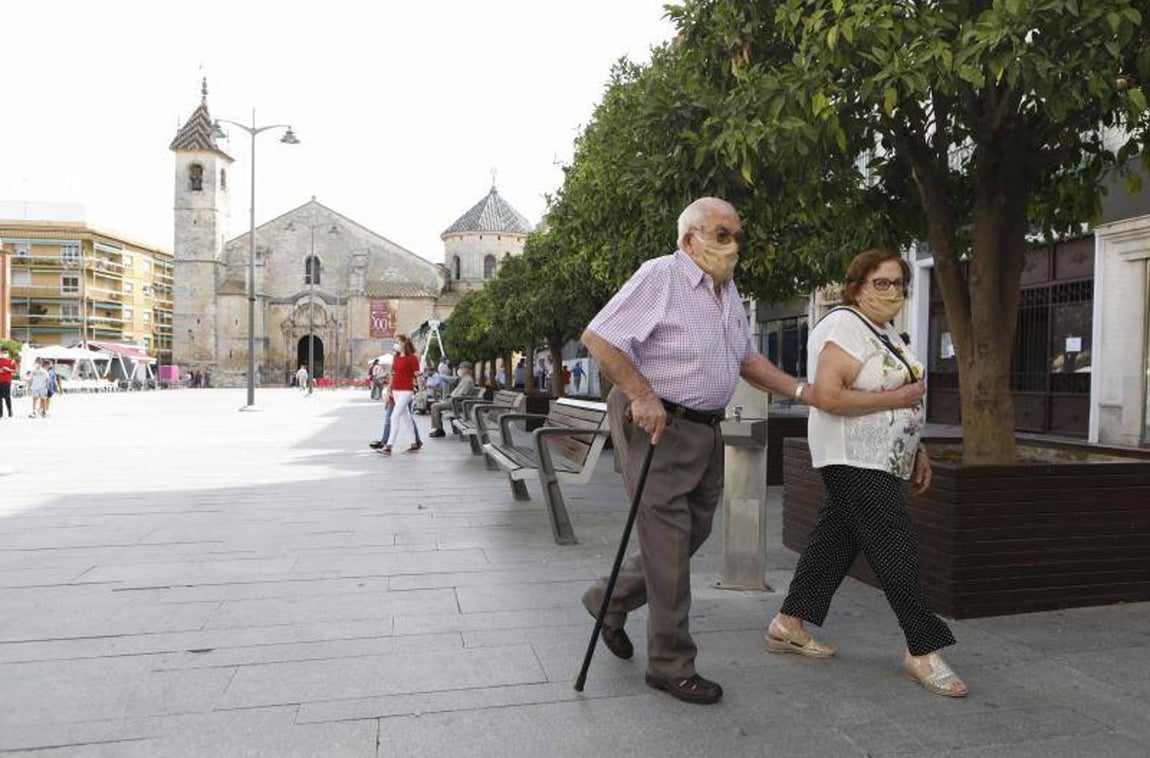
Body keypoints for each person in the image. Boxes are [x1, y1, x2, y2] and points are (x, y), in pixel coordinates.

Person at [580, 197, 814, 705]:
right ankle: (670, 664)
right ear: (690, 239)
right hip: (660, 423)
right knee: (668, 545)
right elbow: (600, 338)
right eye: (721, 233)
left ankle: (607, 599)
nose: (733, 244)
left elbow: (746, 359)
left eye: (737, 235)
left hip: (705, 430)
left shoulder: (727, 291)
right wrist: (642, 395)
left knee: (693, 533)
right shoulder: (661, 276)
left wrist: (800, 391)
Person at [765, 248, 966, 698]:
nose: (891, 292)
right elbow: (829, 397)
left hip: (883, 457)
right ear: (857, 286)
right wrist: (896, 403)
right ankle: (922, 648)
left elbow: (906, 396)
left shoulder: (884, 332)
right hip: (853, 457)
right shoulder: (843, 326)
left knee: (835, 540)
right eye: (881, 283)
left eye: (898, 284)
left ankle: (788, 623)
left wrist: (918, 448)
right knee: (894, 547)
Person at [379, 336, 421, 455]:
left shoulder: (412, 358)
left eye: (397, 342)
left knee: (394, 417)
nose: (395, 344)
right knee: (406, 418)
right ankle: (414, 443)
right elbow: (393, 373)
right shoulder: (396, 357)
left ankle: (389, 445)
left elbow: (417, 374)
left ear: (403, 343)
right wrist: (389, 389)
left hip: (406, 390)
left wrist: (421, 390)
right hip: (396, 390)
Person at [427, 362, 476, 438]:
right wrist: (449, 397)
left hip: (458, 403)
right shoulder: (464, 379)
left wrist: (449, 397)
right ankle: (439, 429)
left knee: (435, 406)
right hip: (457, 402)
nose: (459, 370)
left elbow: (460, 394)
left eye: (461, 368)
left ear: (466, 369)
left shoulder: (467, 380)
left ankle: (439, 430)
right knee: (437, 404)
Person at [0, 348, 16, 418]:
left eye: (6, 352)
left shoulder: (11, 361)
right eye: (3, 352)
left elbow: (15, 371)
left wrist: (8, 369)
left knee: (7, 397)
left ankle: (10, 411)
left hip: (7, 381)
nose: (5, 354)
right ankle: (0, 413)